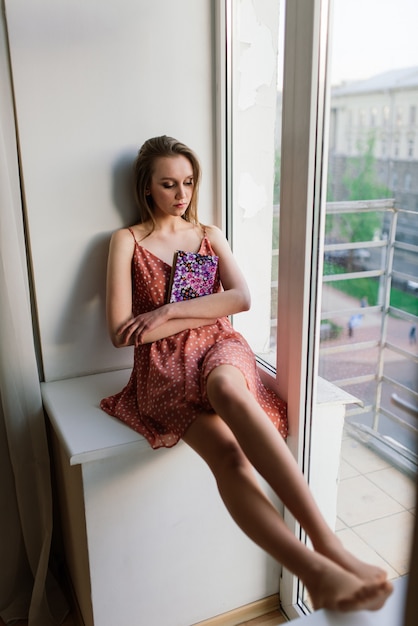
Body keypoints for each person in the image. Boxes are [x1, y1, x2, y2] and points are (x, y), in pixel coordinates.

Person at [101, 135, 393, 613]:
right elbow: (119, 333)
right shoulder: (125, 241)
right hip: (162, 368)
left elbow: (241, 300)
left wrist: (166, 311)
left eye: (189, 182)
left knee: (229, 392)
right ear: (147, 188)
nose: (181, 194)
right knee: (230, 460)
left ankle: (332, 548)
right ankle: (316, 573)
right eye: (169, 184)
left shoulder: (210, 235)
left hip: (219, 344)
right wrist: (180, 319)